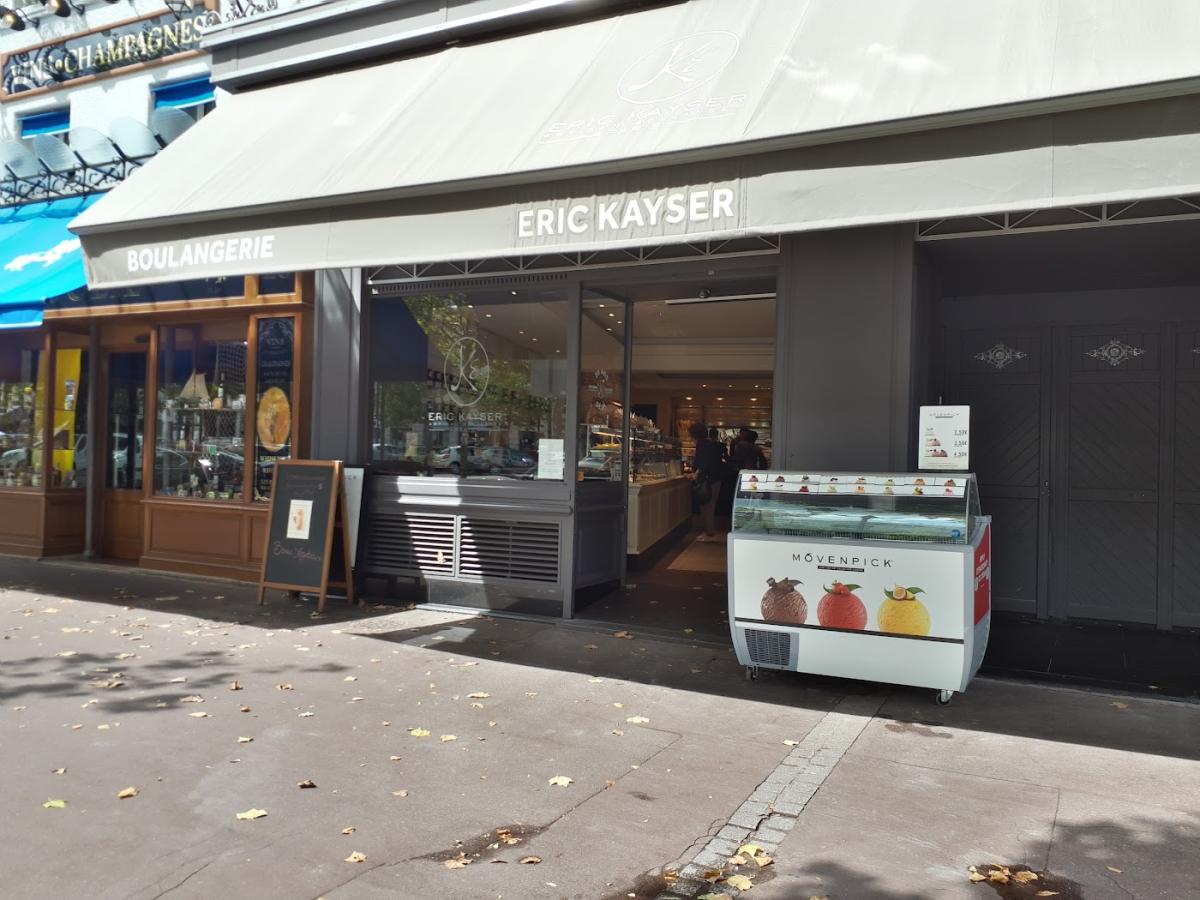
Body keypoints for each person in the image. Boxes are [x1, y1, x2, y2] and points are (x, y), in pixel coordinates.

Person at [689, 423, 724, 539]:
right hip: (715, 479)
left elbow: (703, 462)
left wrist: (696, 474)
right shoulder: (710, 444)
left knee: (707, 506)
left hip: (707, 480)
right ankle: (709, 531)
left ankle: (709, 533)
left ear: (694, 434)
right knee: (710, 505)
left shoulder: (702, 445)